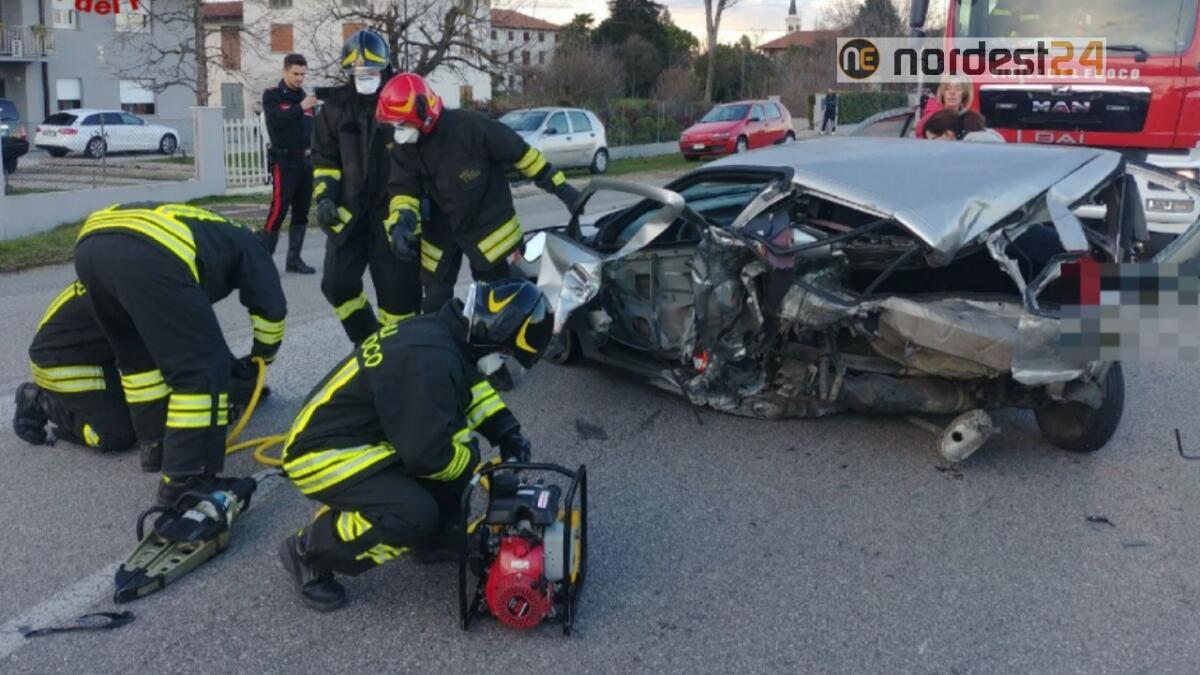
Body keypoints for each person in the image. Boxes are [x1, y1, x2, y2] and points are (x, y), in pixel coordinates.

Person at [276, 278, 553, 612]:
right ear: (494, 335)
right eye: (505, 355)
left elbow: (470, 387)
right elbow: (427, 457)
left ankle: (430, 539)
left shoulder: (447, 335)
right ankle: (308, 550)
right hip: (323, 454)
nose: (501, 365)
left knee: (456, 457)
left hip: (365, 438)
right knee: (414, 510)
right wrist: (475, 468)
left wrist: (506, 431)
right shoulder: (430, 362)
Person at [73, 202, 287, 508]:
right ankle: (188, 481)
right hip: (149, 250)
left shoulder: (214, 230)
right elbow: (271, 310)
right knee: (202, 371)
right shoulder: (252, 246)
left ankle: (156, 444)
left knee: (139, 360)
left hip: (91, 245)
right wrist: (262, 358)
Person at [376, 73, 581, 315]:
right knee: (434, 304)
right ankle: (445, 348)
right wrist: (401, 224)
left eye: (403, 124)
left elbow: (524, 156)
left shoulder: (473, 127)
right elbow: (403, 190)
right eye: (395, 125)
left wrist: (563, 189)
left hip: (487, 230)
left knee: (499, 303)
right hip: (440, 233)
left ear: (425, 113)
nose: (398, 131)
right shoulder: (405, 146)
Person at [13, 280, 271, 463]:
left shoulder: (164, 281)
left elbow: (201, 339)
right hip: (63, 360)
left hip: (104, 354)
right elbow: (175, 358)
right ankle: (40, 401)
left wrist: (238, 379)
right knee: (116, 435)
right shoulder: (150, 295)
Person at [312, 29, 421, 344]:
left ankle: (403, 356)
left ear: (385, 68)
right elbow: (325, 161)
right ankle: (369, 342)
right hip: (350, 215)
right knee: (336, 284)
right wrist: (325, 200)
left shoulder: (402, 99)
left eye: (371, 72)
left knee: (399, 298)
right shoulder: (335, 109)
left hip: (393, 214)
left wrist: (412, 212)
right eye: (358, 73)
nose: (364, 78)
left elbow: (418, 157)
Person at [260, 53, 318, 274]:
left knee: (302, 211)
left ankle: (294, 259)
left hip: (305, 161)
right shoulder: (273, 95)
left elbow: (313, 130)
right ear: (285, 71)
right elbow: (277, 121)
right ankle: (263, 261)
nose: (299, 79)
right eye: (295, 74)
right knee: (278, 211)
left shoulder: (306, 98)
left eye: (303, 74)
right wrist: (300, 107)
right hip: (284, 161)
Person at [914, 74, 973, 139]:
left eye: (958, 89)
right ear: (942, 92)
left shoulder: (969, 118)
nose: (952, 92)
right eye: (947, 88)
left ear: (965, 94)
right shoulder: (931, 118)